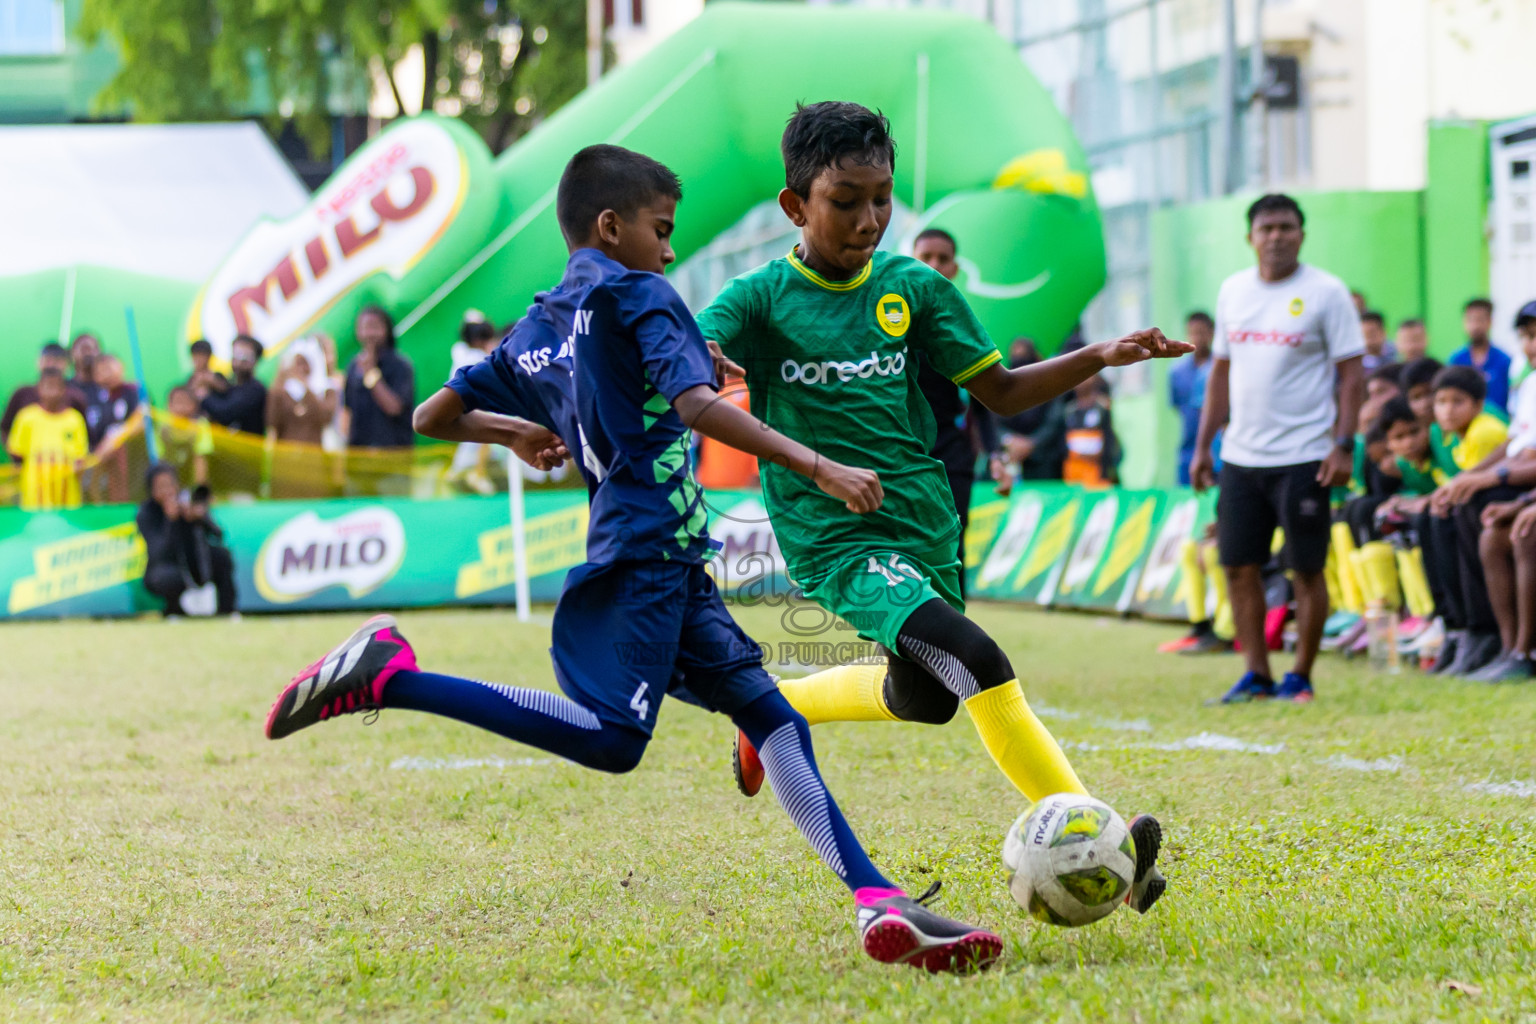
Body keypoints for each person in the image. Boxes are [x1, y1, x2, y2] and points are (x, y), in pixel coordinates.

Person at [272, 143, 1004, 974]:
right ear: (612, 226)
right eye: (662, 229)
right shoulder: (641, 291)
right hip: (647, 554)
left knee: (775, 720)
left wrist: (517, 430)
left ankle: (878, 900)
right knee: (614, 741)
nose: (671, 248)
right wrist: (815, 463)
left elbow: (434, 415)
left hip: (669, 558)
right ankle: (391, 677)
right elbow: (694, 404)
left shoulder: (544, 321)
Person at [693, 102, 1180, 914]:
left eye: (881, 198)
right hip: (835, 535)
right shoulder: (760, 298)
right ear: (795, 205)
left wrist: (1098, 353)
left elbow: (1002, 391)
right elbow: (694, 370)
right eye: (845, 201)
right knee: (978, 657)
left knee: (927, 698)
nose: (868, 220)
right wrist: (701, 361)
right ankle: (1109, 847)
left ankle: (767, 709)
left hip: (924, 519)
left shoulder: (916, 287)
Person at [1189, 193, 1367, 704]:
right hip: (1241, 457)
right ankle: (1257, 675)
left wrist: (1342, 444)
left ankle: (1302, 676)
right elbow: (1220, 372)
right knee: (1237, 565)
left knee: (1306, 568)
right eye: (1266, 228)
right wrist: (1205, 448)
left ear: (1302, 235)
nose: (1276, 236)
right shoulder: (1233, 291)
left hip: (1306, 455)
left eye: (1286, 227)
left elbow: (1352, 374)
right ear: (1250, 237)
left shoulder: (1326, 292)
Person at [911, 226, 1011, 592]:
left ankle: (954, 643)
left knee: (952, 550)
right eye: (926, 257)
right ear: (912, 260)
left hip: (952, 454)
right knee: (901, 553)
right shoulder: (888, 321)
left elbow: (984, 398)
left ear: (955, 268)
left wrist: (996, 455)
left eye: (943, 259)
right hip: (899, 453)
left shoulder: (964, 326)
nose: (934, 265)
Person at [1416, 366, 1513, 676]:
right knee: (1429, 516)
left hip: (1505, 504)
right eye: (1441, 402)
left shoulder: (1485, 431)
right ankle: (1455, 626)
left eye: (1457, 401)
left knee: (1453, 513)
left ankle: (1479, 628)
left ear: (1478, 404)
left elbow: (1472, 484)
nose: (1447, 410)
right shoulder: (1455, 435)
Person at [137, 463, 238, 617]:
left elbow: (218, 534)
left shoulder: (187, 501)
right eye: (161, 486)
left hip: (196, 562)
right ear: (151, 489)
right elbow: (158, 552)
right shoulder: (146, 513)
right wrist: (170, 520)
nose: (167, 491)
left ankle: (227, 610)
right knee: (164, 577)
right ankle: (174, 611)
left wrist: (200, 518)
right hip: (168, 566)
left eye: (170, 484)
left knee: (222, 556)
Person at [4, 367, 89, 510]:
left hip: (67, 494)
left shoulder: (74, 419)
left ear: (64, 390)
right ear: (39, 389)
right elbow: (16, 452)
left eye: (57, 387)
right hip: (35, 493)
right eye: (48, 387)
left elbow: (81, 456)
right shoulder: (26, 417)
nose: (52, 392)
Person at [343, 305, 415, 449]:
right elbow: (347, 411)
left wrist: (371, 373)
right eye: (363, 327)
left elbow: (394, 408)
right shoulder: (353, 366)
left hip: (393, 456)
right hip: (360, 457)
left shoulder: (401, 366)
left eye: (374, 327)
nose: (368, 333)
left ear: (386, 330)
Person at [997, 339, 1068, 481]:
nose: (1020, 364)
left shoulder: (1050, 387)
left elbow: (1053, 423)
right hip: (1009, 458)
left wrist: (1031, 444)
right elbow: (993, 424)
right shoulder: (1000, 389)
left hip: (1044, 461)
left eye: (1024, 358)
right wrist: (1009, 441)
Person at [2, 343, 88, 461]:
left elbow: (84, 436)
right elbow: (6, 428)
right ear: (38, 362)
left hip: (66, 474)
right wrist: (19, 459)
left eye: (57, 361)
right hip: (29, 473)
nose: (51, 365)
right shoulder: (22, 394)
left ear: (67, 365)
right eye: (48, 360)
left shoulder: (76, 397)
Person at [1168, 311, 1215, 485]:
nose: (1197, 337)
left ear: (1212, 334)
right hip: (1188, 447)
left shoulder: (1218, 369)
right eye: (1192, 332)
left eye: (1202, 332)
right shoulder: (1176, 372)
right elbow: (1177, 405)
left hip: (1217, 451)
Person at [1448, 298, 1511, 415]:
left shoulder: (1505, 360)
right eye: (1470, 320)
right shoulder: (1456, 360)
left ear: (1490, 322)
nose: (1475, 326)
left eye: (1480, 320)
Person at [201, 335, 268, 435]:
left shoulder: (255, 390)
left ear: (255, 360)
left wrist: (204, 396)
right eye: (236, 354)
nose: (239, 361)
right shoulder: (228, 385)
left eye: (245, 356)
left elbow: (226, 413)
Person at [1062, 375, 1120, 487]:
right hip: (1074, 474)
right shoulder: (1069, 411)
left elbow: (1108, 441)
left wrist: (1105, 471)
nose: (1082, 382)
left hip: (1097, 474)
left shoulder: (1102, 409)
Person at [159, 386, 214, 487]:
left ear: (194, 406)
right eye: (177, 402)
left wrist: (199, 488)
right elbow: (160, 459)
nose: (181, 408)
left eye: (185, 402)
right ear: (169, 406)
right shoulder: (163, 428)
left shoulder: (200, 425)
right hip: (171, 475)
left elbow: (201, 457)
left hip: (191, 475)